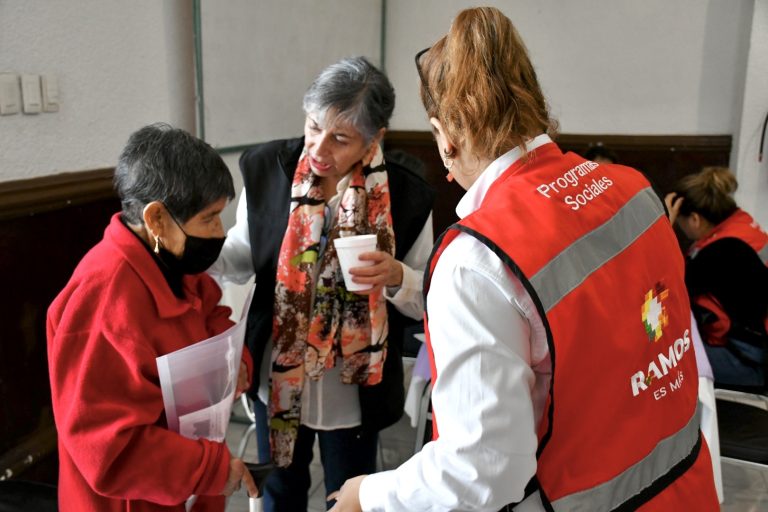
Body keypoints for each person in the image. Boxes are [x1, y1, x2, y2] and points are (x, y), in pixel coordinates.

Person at [331, 7, 718, 511]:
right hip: (686, 487)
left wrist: (370, 493)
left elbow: (481, 472)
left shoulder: (477, 258)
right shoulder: (634, 189)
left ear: (444, 134)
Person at [209, 56, 435, 511]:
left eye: (340, 138)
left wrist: (396, 277)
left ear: (375, 138)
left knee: (347, 496)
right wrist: (194, 247)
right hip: (279, 375)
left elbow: (426, 297)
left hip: (353, 387)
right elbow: (241, 254)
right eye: (313, 127)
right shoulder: (267, 168)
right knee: (279, 492)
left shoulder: (408, 196)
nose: (318, 147)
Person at [47, 123, 258, 511]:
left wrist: (235, 361)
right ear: (157, 218)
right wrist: (209, 469)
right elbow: (109, 448)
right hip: (136, 499)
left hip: (188, 476)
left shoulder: (169, 258)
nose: (219, 232)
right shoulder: (102, 301)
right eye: (209, 218)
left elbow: (212, 313)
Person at [665, 166, 768, 390]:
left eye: (680, 222)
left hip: (754, 362)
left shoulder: (717, 253)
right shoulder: (742, 226)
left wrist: (665, 225)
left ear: (694, 219)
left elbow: (667, 282)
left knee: (665, 364)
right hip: (759, 347)